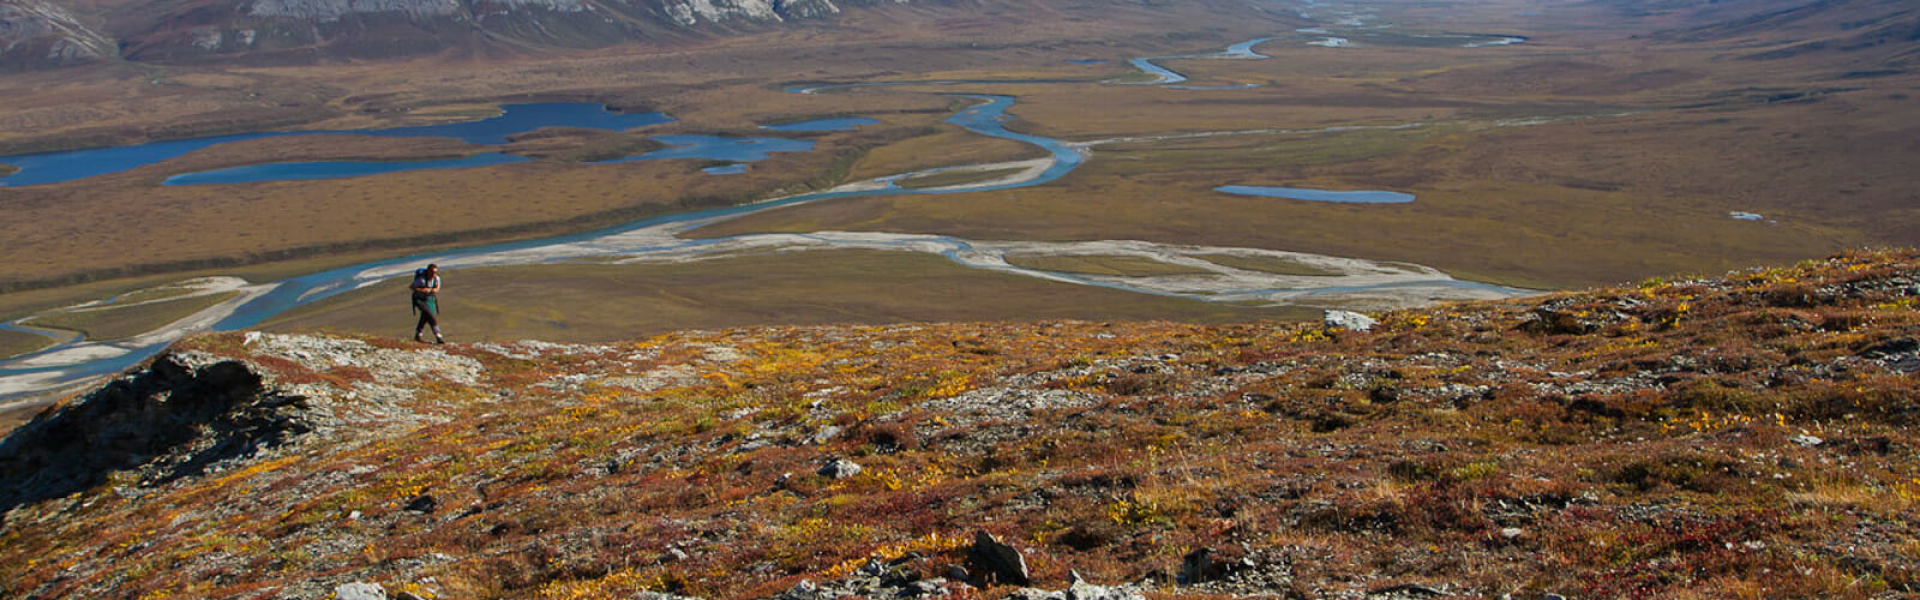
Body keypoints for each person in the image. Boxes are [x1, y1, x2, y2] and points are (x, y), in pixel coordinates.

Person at [410, 263, 444, 343]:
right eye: (432, 272)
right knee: (429, 315)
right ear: (428, 271)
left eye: (435, 272)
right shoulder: (421, 280)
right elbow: (412, 287)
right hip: (419, 299)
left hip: (429, 299)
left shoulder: (437, 279)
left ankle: (418, 335)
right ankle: (438, 335)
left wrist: (434, 290)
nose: (433, 274)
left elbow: (437, 288)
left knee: (425, 316)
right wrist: (423, 290)